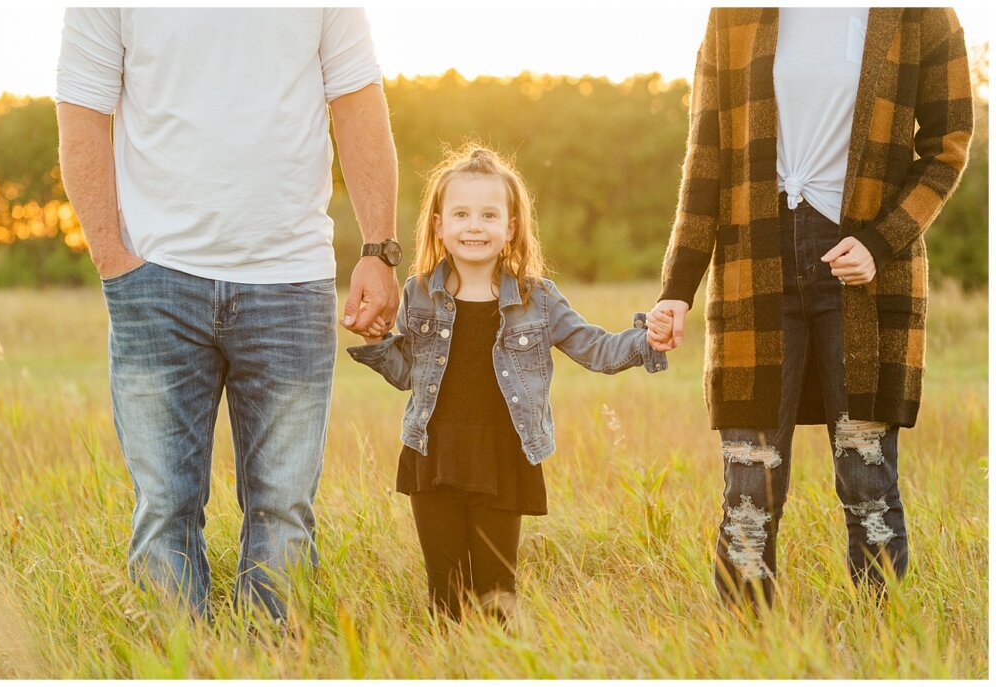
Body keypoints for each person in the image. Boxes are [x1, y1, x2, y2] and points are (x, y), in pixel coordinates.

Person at [55, 8, 401, 621]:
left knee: (284, 506)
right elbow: (82, 110)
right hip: (155, 282)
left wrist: (378, 250)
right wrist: (111, 257)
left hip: (291, 281)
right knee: (164, 505)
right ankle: (175, 654)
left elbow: (357, 101)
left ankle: (276, 658)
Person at [649, 8, 973, 611]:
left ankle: (886, 642)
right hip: (755, 265)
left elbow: (947, 148)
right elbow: (707, 157)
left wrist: (882, 241)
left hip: (864, 271)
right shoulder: (734, 16)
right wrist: (677, 287)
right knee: (750, 483)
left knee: (866, 478)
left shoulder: (919, 14)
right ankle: (745, 654)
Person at [347, 145, 672, 622]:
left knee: (497, 593)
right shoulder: (418, 293)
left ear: (510, 227)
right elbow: (406, 374)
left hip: (503, 457)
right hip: (432, 454)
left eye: (488, 215)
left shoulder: (537, 299)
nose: (474, 226)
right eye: (460, 214)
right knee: (445, 595)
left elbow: (597, 349)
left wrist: (648, 338)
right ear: (439, 225)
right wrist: (378, 341)